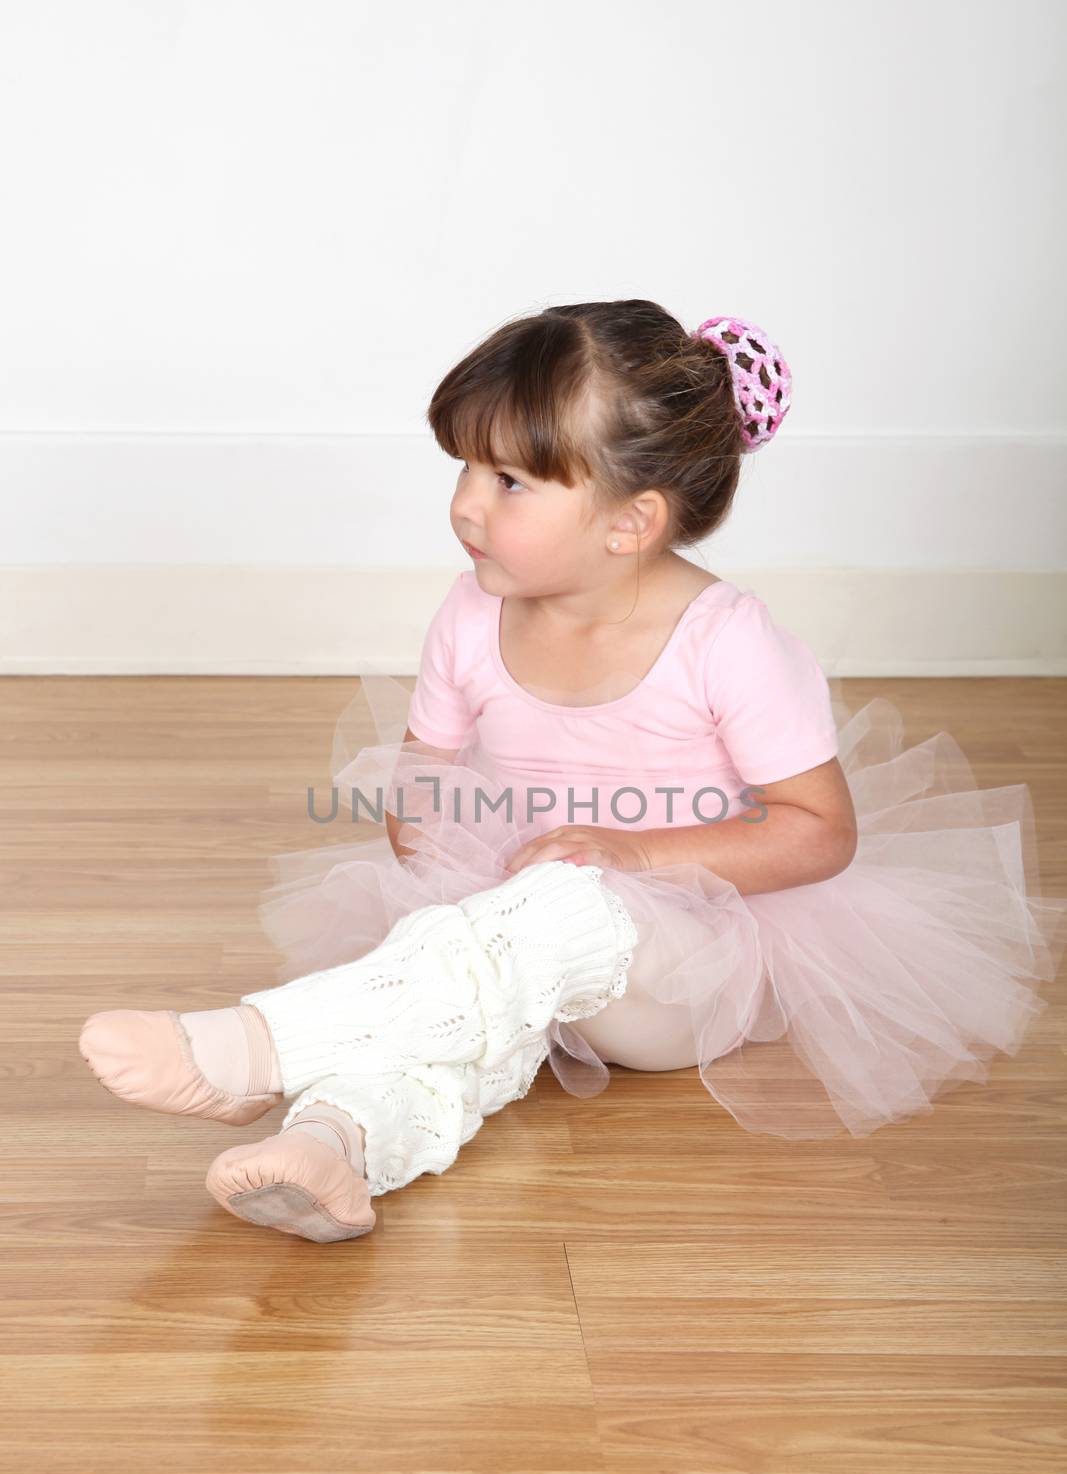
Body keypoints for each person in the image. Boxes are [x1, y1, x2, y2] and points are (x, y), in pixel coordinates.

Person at [78, 300, 1067, 1244]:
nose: (466, 504)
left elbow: (818, 827)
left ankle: (261, 1047)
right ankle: (333, 1142)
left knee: (543, 918)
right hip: (512, 912)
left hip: (690, 949)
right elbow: (421, 777)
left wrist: (628, 852)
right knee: (470, 988)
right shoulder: (472, 614)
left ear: (627, 523)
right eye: (464, 466)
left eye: (508, 482)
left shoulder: (722, 640)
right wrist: (438, 859)